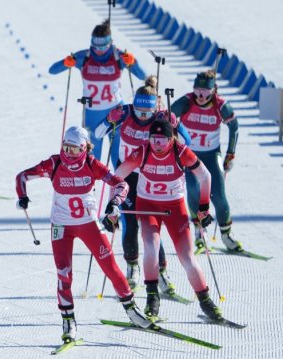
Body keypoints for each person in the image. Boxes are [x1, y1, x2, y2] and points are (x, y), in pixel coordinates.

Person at [16, 126, 153, 342]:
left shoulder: (91, 164)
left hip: (88, 224)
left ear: (83, 149)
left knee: (110, 267)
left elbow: (121, 184)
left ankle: (131, 309)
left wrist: (114, 202)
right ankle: (68, 320)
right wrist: (22, 196)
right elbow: (22, 176)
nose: (68, 154)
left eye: (73, 150)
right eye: (65, 148)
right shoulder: (55, 163)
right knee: (63, 273)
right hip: (61, 227)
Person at [114, 119, 224, 322]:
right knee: (150, 248)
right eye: (154, 139)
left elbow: (205, 176)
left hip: (175, 208)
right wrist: (113, 203)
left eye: (162, 140)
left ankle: (206, 301)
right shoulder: (142, 151)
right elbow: (118, 176)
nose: (157, 144)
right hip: (147, 206)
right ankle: (152, 299)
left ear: (171, 139)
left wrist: (203, 207)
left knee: (188, 258)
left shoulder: (180, 152)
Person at [93, 76, 190, 293]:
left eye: (147, 113)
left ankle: (161, 273)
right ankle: (133, 267)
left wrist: (175, 126)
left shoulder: (161, 120)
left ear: (155, 108)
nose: (143, 117)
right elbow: (97, 134)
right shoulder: (125, 112)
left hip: (149, 178)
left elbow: (186, 144)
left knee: (151, 226)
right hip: (126, 177)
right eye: (139, 111)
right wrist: (109, 119)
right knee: (129, 223)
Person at [48, 20, 146, 160]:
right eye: (96, 46)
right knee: (93, 158)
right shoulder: (84, 57)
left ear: (110, 43)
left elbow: (143, 76)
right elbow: (52, 70)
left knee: (118, 157)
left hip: (117, 110)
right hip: (92, 113)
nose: (99, 51)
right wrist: (65, 62)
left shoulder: (118, 56)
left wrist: (133, 62)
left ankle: (121, 182)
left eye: (103, 47)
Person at [171, 70, 242, 252]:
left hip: (211, 155)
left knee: (218, 194)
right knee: (194, 189)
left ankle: (227, 235)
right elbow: (167, 118)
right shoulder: (187, 101)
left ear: (213, 91)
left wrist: (230, 153)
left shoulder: (220, 105)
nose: (200, 96)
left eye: (205, 92)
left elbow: (234, 126)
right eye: (197, 91)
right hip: (190, 155)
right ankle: (199, 232)